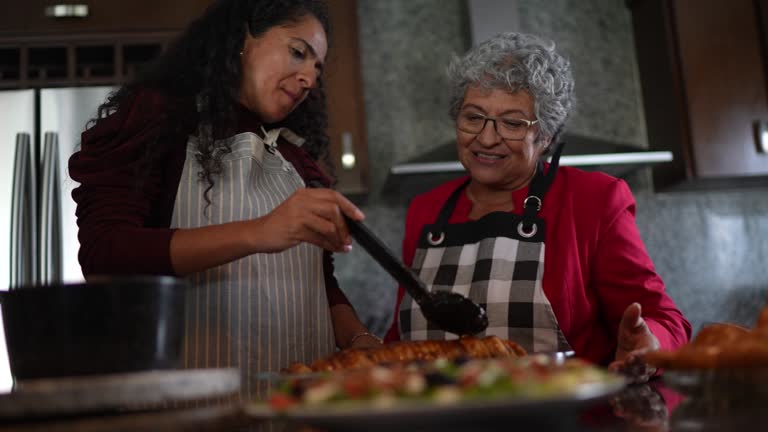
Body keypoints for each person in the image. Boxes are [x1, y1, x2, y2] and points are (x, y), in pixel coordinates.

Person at [68, 0, 381, 400]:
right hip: (195, 409)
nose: (308, 79)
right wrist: (260, 232)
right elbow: (106, 253)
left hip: (302, 410)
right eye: (298, 52)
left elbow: (318, 282)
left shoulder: (297, 159)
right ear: (242, 39)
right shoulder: (158, 118)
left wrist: (358, 339)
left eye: (317, 69)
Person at [384, 32, 691, 382]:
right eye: (473, 117)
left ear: (545, 136)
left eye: (513, 123)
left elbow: (664, 318)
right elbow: (406, 336)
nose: (486, 138)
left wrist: (647, 343)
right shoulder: (426, 210)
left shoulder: (593, 200)